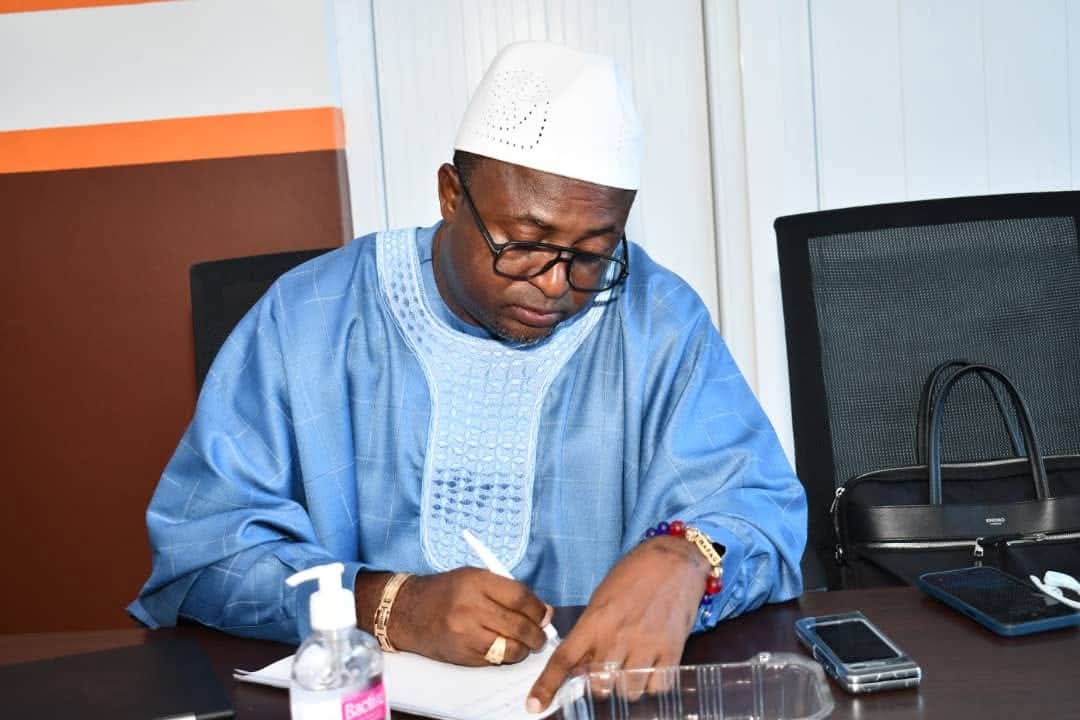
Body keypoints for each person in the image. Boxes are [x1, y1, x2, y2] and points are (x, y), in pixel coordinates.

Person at [130, 40, 806, 712]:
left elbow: (761, 512)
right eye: (525, 243)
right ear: (452, 195)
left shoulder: (657, 321)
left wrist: (689, 559)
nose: (554, 284)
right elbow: (203, 548)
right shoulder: (308, 317)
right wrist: (390, 606)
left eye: (592, 255)